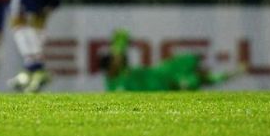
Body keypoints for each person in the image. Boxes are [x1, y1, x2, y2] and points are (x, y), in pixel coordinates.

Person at [100, 29, 245, 91]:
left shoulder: (122, 71)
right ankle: (230, 73)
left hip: (161, 73)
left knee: (193, 66)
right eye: (114, 60)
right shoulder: (114, 85)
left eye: (116, 58)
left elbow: (122, 34)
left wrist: (117, 45)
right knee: (195, 80)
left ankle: (229, 69)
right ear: (109, 68)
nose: (118, 60)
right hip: (165, 86)